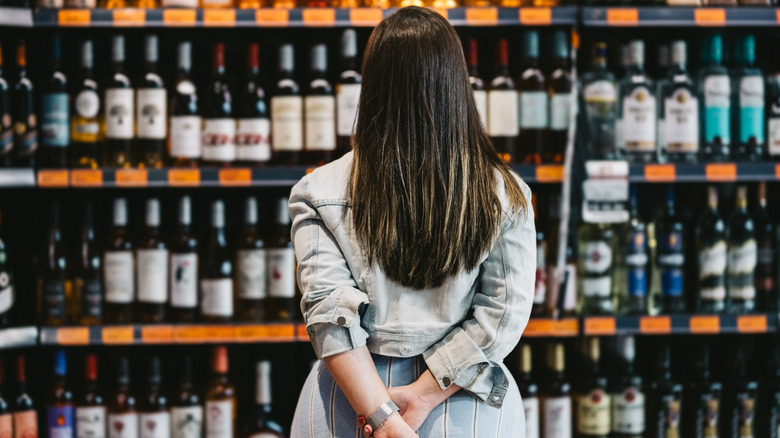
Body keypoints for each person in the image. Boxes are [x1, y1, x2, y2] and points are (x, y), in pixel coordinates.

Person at [289, 6, 535, 437]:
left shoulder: (317, 190)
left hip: (346, 403)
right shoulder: (506, 192)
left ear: (372, 86)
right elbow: (503, 317)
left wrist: (381, 417)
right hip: (466, 401)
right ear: (456, 85)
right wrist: (421, 395)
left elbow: (329, 316)